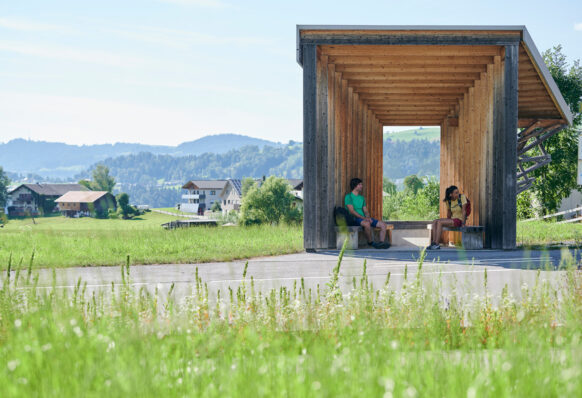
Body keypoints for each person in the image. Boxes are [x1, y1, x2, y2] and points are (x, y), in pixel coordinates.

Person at [345, 178, 390, 249]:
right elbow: (352, 211)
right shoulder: (348, 197)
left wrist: (368, 218)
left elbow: (365, 211)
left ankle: (381, 243)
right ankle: (371, 242)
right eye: (359, 184)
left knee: (383, 225)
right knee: (367, 224)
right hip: (354, 219)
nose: (361, 186)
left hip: (364, 218)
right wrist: (364, 219)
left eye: (361, 184)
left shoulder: (361, 198)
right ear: (354, 186)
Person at [427, 185, 467, 250]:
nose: (458, 194)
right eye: (456, 193)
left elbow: (464, 211)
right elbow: (449, 212)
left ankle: (437, 244)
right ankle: (433, 243)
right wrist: (447, 221)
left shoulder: (462, 197)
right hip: (452, 219)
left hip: (459, 220)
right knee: (435, 221)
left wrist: (463, 223)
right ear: (451, 194)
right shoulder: (448, 201)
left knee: (440, 222)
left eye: (458, 192)